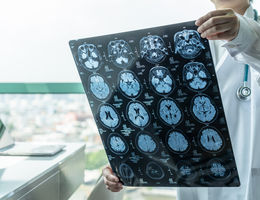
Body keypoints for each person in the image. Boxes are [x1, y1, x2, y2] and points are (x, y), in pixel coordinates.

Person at [102, 0, 260, 199]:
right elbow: (155, 120)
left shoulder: (254, 35)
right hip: (197, 185)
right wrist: (125, 161)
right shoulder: (178, 44)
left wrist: (243, 32)